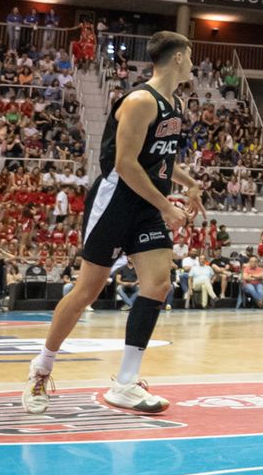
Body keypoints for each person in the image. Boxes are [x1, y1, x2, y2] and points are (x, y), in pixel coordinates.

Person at [22, 32, 201, 415]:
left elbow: (161, 160)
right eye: (190, 58)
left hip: (146, 207)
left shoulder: (175, 104)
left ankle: (125, 383)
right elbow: (125, 163)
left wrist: (190, 183)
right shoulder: (139, 101)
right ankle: (42, 367)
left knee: (158, 283)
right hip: (116, 201)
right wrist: (168, 205)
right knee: (87, 290)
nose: (193, 64)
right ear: (179, 58)